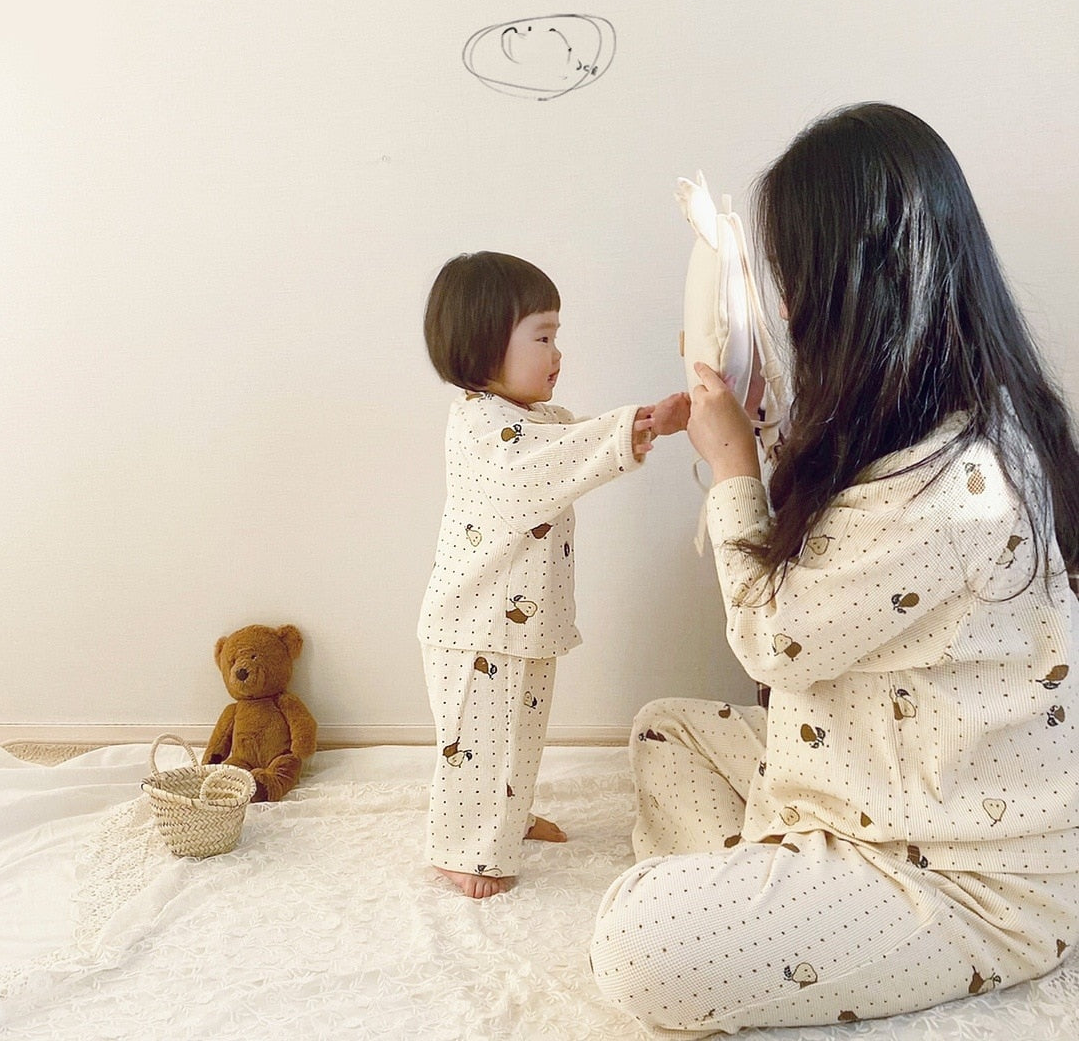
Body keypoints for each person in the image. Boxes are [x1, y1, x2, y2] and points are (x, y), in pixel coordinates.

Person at [591, 103, 1079, 1032]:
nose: (781, 310)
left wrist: (732, 469)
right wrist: (759, 426)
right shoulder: (917, 418)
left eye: (789, 282)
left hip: (964, 871)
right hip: (851, 775)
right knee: (666, 731)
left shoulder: (957, 484)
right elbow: (834, 566)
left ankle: (760, 914)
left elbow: (773, 640)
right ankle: (769, 903)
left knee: (633, 943)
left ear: (851, 288)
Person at [419, 251, 689, 899]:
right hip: (478, 628)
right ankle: (463, 851)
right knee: (475, 748)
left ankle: (506, 817)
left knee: (516, 734)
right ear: (483, 345)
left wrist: (645, 423)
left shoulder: (529, 422)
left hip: (517, 625)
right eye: (542, 337)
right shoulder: (487, 430)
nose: (557, 353)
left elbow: (573, 439)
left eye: (555, 336)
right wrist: (641, 425)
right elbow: (561, 457)